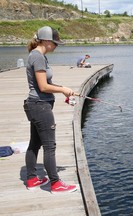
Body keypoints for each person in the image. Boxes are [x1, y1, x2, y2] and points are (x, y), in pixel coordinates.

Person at [24, 26, 77, 193]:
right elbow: (43, 86)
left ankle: (32, 179)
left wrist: (63, 89)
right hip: (40, 106)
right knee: (49, 146)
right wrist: (62, 90)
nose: (56, 46)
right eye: (55, 43)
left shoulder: (38, 56)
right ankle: (55, 183)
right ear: (46, 41)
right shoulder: (38, 57)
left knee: (35, 143)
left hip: (36, 105)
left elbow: (46, 84)